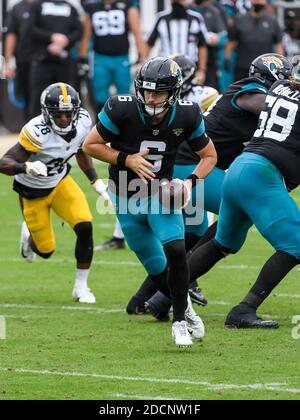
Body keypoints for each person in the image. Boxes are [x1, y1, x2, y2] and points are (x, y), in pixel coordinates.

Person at [127, 53, 293, 320]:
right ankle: (171, 289)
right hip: (193, 163)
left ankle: (152, 298)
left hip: (197, 165)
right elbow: (264, 105)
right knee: (231, 219)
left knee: (199, 233)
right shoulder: (249, 89)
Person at [82, 56, 217, 347]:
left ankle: (180, 322)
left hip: (161, 194)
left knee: (177, 250)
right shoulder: (121, 108)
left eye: (158, 92)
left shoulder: (187, 114)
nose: (150, 97)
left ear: (174, 92)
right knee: (157, 269)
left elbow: (210, 156)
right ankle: (186, 307)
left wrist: (189, 182)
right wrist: (126, 158)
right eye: (146, 90)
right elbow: (90, 145)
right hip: (125, 198)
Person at [185, 55, 300, 329]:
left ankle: (164, 296)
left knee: (222, 244)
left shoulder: (278, 90)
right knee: (294, 246)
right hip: (263, 174)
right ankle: (244, 309)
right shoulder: (267, 89)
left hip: (239, 169)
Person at [0, 82, 109, 304]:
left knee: (85, 226)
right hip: (32, 192)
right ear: (47, 113)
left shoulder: (84, 121)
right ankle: (28, 237)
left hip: (60, 182)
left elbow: (82, 150)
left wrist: (95, 180)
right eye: (58, 115)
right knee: (46, 250)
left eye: (68, 114)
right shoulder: (36, 130)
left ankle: (81, 287)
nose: (64, 120)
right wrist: (26, 167)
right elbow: (4, 163)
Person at [81, 0, 146, 115]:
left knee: (125, 96)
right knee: (100, 96)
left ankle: (124, 124)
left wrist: (141, 57)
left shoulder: (127, 4)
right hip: (99, 58)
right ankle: (101, 124)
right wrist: (82, 58)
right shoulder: (92, 7)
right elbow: (86, 35)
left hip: (122, 58)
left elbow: (137, 31)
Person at [27, 0, 83, 118]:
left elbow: (79, 30)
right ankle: (36, 128)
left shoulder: (70, 7)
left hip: (64, 61)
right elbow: (30, 28)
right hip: (42, 59)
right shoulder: (37, 6)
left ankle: (67, 127)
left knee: (66, 96)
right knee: (38, 96)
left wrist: (66, 40)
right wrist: (51, 37)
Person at [145, 0, 208, 84]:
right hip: (165, 68)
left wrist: (201, 70)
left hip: (190, 67)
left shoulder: (196, 18)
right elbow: (149, 43)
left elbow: (202, 45)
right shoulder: (161, 17)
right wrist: (143, 62)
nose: (178, 3)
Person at [225, 0, 284, 82]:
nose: (258, 3)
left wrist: (280, 62)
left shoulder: (272, 21)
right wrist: (227, 58)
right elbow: (231, 41)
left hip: (265, 69)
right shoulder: (239, 19)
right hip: (243, 67)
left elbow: (279, 43)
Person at [4, 0, 35, 120]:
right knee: (26, 96)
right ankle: (30, 129)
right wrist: (8, 63)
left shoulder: (46, 5)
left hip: (47, 60)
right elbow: (11, 35)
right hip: (24, 59)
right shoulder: (17, 8)